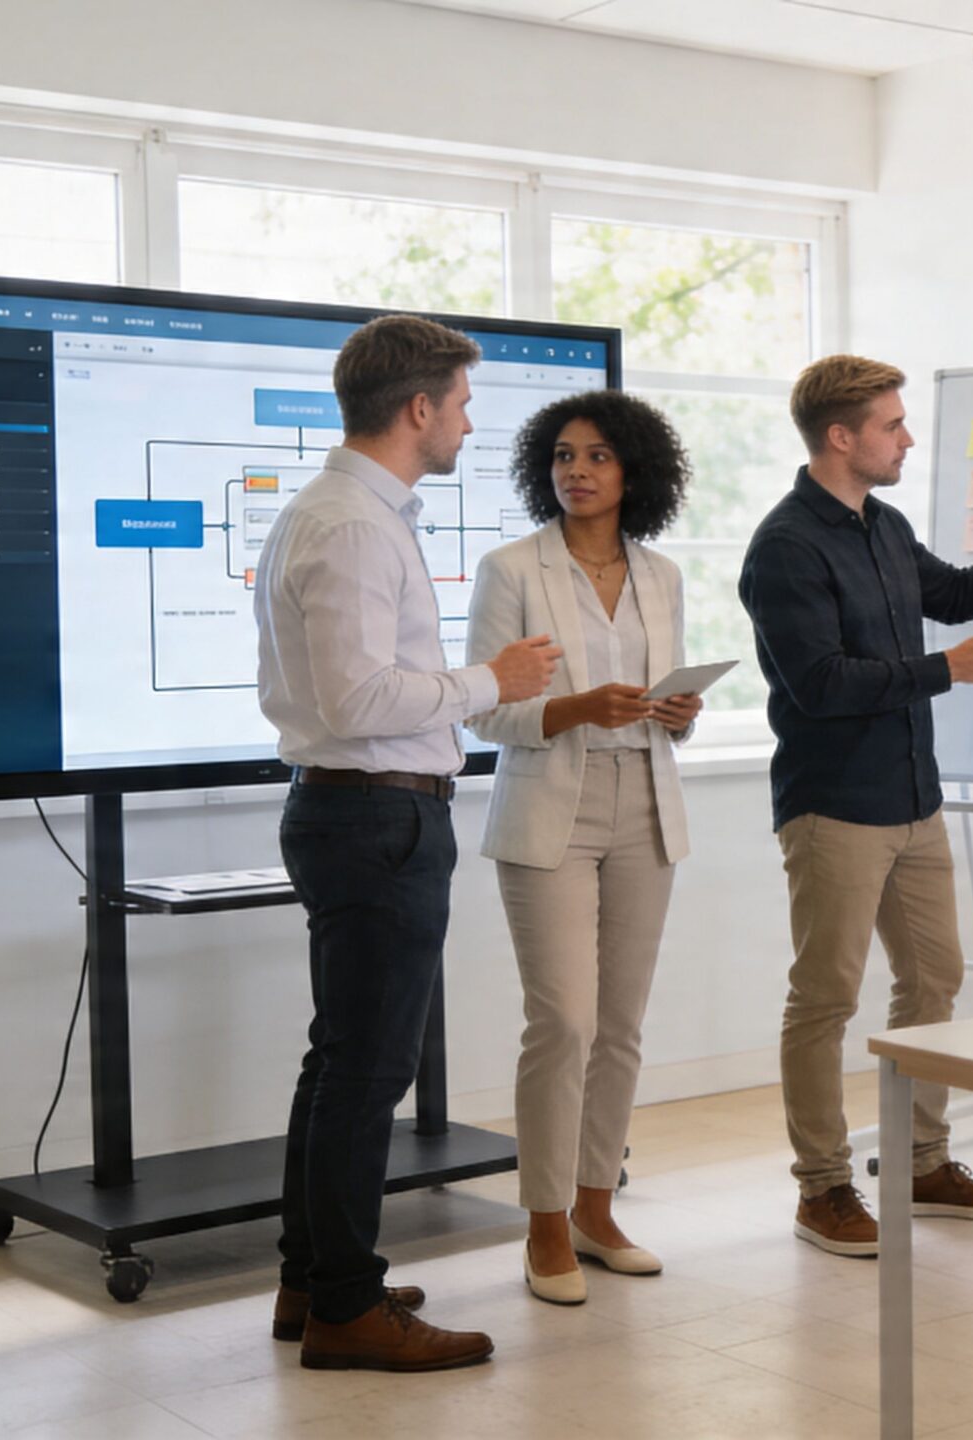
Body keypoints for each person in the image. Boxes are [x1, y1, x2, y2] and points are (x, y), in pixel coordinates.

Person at [738, 354, 973, 1257]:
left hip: (914, 799)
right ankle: (823, 1188)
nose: (907, 438)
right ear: (842, 437)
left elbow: (947, 593)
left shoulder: (884, 522)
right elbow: (821, 683)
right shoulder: (786, 546)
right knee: (825, 997)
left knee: (935, 978)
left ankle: (921, 1162)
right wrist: (949, 670)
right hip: (834, 807)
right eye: (892, 425)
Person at [254, 314, 560, 1371]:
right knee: (365, 1071)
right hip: (374, 812)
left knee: (340, 1061)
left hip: (369, 810)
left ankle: (314, 1276)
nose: (471, 424)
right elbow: (356, 694)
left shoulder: (356, 511)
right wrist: (492, 683)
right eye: (464, 404)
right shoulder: (349, 523)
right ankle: (345, 1303)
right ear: (419, 408)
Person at [465, 390, 702, 1307]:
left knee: (620, 1025)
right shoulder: (509, 568)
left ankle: (598, 1209)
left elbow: (660, 703)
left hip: (644, 799)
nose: (578, 471)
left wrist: (675, 711)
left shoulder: (663, 573)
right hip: (548, 807)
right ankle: (543, 1225)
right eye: (564, 456)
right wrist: (577, 707)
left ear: (633, 470)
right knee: (561, 1021)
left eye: (598, 456)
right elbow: (486, 709)